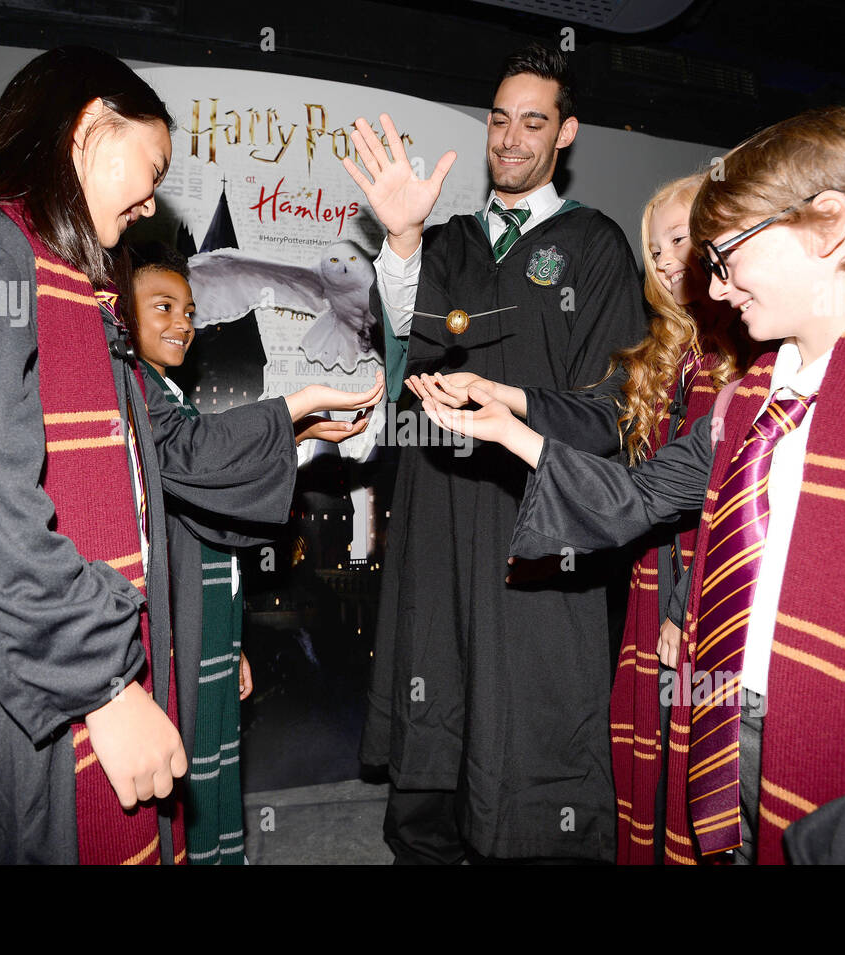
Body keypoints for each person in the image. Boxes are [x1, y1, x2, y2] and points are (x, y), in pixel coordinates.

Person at [421, 104, 845, 864]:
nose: (716, 288)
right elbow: (637, 500)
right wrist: (512, 429)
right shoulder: (746, 403)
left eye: (726, 255)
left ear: (828, 226)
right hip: (720, 744)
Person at [0, 46, 379, 864]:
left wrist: (295, 414)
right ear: (89, 126)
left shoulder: (81, 286)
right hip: (12, 694)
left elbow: (172, 446)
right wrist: (105, 688)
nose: (152, 205)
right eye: (149, 168)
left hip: (74, 663)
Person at [341, 43, 646, 862]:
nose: (510, 139)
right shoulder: (447, 244)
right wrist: (401, 243)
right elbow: (407, 355)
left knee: (536, 722)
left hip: (536, 521)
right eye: (499, 119)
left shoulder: (596, 247)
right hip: (441, 509)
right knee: (433, 699)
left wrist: (517, 408)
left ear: (567, 132)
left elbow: (612, 410)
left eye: (534, 121)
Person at [408, 173, 753, 863]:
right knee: (652, 778)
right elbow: (622, 455)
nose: (661, 260)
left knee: (722, 787)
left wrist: (690, 611)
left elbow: (717, 504)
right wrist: (503, 402)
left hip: (712, 593)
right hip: (645, 573)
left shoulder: (745, 365)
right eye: (653, 247)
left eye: (679, 240)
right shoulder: (665, 354)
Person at [121, 241, 380, 863]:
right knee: (184, 780)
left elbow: (211, 486)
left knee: (209, 768)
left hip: (207, 619)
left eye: (188, 310)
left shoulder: (166, 394)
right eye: (162, 307)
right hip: (175, 625)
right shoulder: (134, 392)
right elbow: (193, 457)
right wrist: (305, 402)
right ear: (121, 316)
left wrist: (230, 641)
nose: (183, 322)